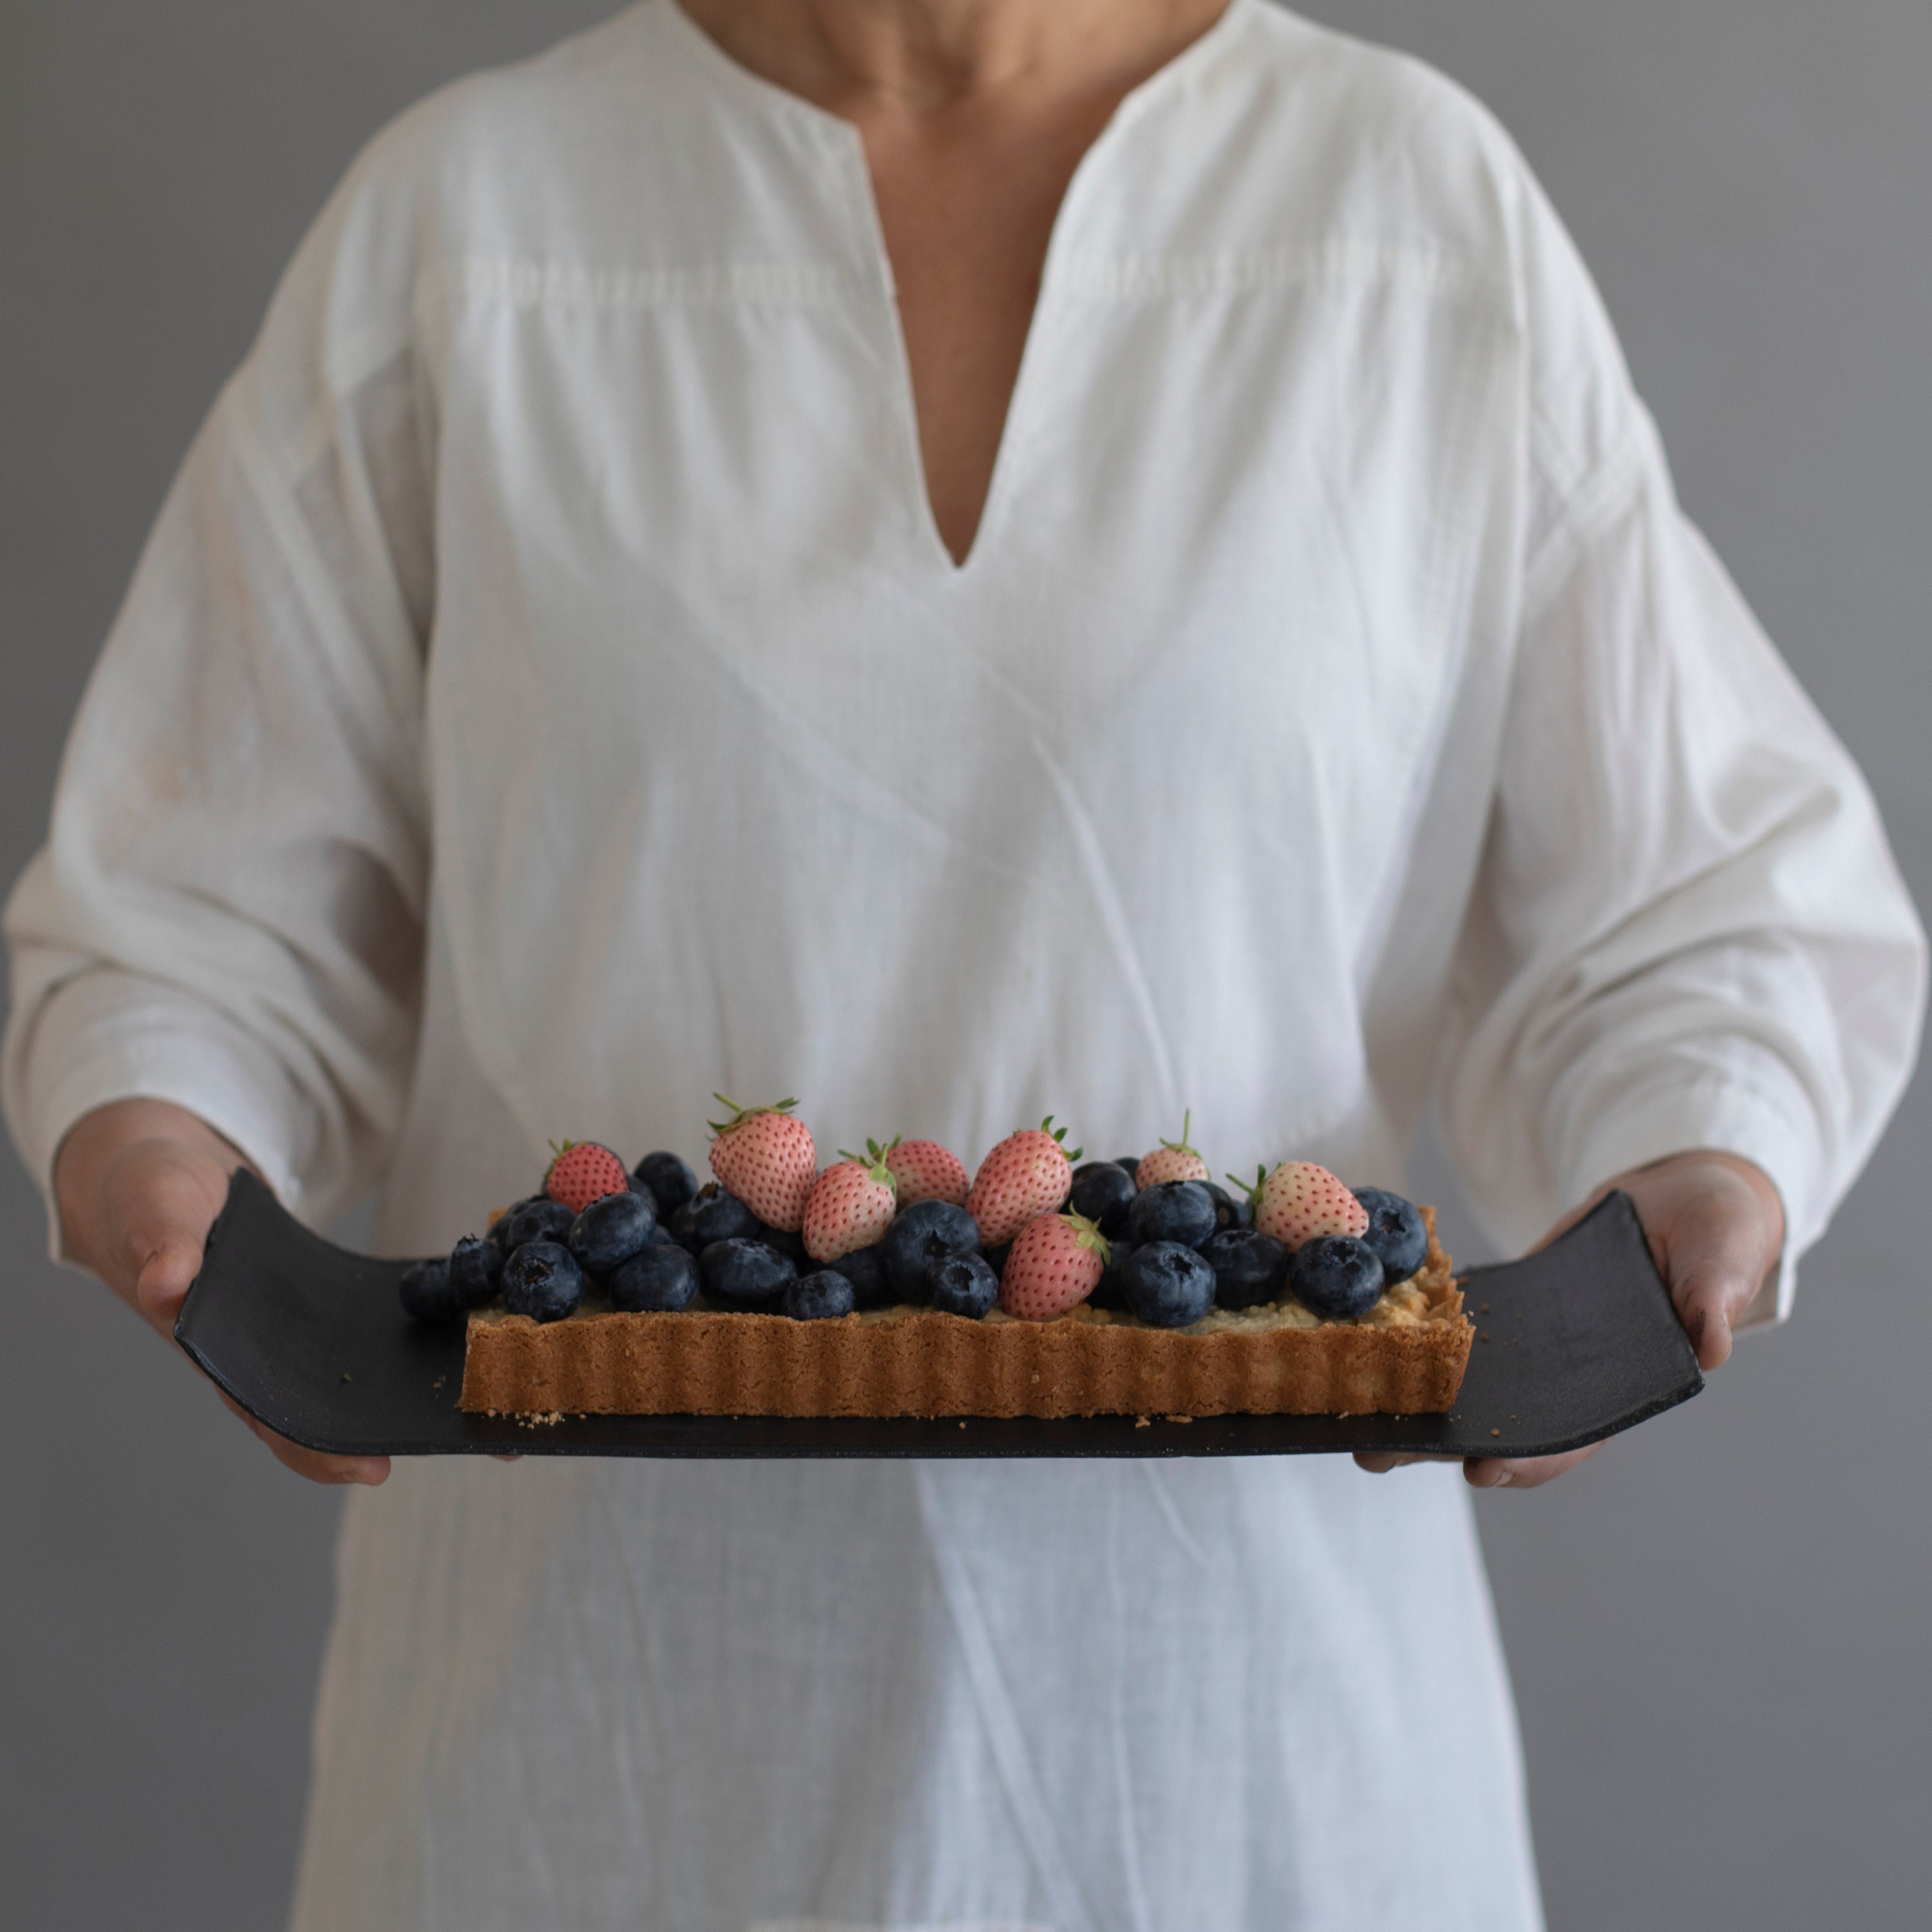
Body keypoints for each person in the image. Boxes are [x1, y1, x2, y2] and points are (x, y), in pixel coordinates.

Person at [6, 0, 1922, 1925]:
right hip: (588, 1781)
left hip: (1249, 1786)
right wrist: (151, 1128)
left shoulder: (1405, 208)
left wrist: (1708, 1151)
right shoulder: (465, 220)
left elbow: (1712, 901)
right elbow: (192, 904)